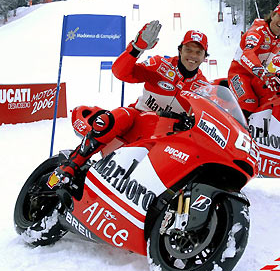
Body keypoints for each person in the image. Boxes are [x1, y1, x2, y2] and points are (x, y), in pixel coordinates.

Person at [47, 20, 209, 195]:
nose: (192, 56)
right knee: (115, 117)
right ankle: (72, 165)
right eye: (188, 50)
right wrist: (136, 48)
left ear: (204, 57)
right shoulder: (160, 65)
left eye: (198, 52)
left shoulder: (203, 88)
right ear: (180, 50)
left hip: (163, 139)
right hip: (136, 120)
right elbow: (120, 72)